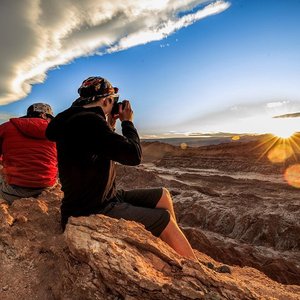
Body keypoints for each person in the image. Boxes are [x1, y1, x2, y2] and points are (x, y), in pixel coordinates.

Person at [46, 76, 196, 260]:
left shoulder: (76, 120)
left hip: (104, 196)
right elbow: (133, 156)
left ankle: (170, 246)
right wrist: (127, 122)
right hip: (93, 208)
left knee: (162, 195)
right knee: (164, 219)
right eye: (113, 100)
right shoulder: (90, 122)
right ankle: (192, 266)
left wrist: (110, 123)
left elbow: (100, 145)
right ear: (107, 100)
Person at [0, 103, 58, 204]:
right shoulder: (57, 131)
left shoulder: (6, 127)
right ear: (46, 116)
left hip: (13, 192)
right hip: (47, 187)